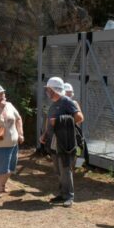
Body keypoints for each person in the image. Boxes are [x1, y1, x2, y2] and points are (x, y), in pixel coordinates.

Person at [40, 77, 84, 208]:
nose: (47, 92)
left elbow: (80, 117)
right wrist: (45, 135)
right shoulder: (54, 103)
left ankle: (69, 196)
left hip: (65, 141)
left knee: (65, 169)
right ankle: (62, 194)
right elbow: (50, 122)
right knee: (58, 170)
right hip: (54, 141)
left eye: (48, 90)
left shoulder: (66, 101)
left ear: (54, 90)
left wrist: (59, 121)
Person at [0, 84, 24, 197]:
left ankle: (2, 185)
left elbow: (18, 118)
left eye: (3, 93)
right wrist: (0, 108)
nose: (2, 96)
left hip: (13, 143)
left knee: (11, 168)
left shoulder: (10, 105)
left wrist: (20, 133)